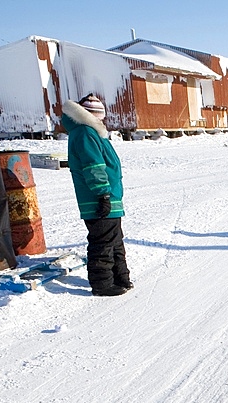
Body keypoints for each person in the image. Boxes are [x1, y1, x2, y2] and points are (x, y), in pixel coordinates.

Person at [62, 93, 132, 296]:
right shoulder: (85, 133)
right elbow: (94, 166)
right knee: (103, 242)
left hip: (109, 197)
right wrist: (103, 195)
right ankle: (102, 284)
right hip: (98, 199)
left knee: (115, 240)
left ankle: (120, 277)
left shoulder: (92, 132)